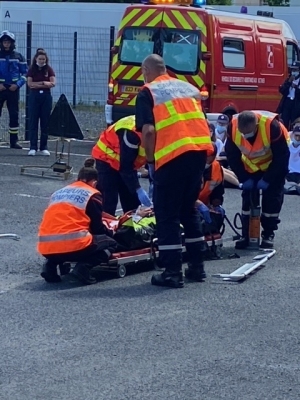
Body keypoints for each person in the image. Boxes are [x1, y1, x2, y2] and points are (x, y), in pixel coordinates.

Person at [136, 54, 213, 288]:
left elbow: (148, 131)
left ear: (146, 71)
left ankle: (172, 272)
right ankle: (197, 267)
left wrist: (150, 162)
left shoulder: (148, 92)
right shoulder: (189, 88)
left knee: (167, 214)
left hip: (171, 157)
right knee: (188, 210)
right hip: (198, 154)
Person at [37, 158, 118, 285]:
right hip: (74, 246)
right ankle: (83, 268)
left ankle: (50, 267)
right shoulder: (92, 194)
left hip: (46, 247)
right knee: (111, 243)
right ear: (94, 182)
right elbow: (97, 227)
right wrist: (112, 233)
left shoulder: (58, 193)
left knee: (61, 242)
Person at [225, 111, 289, 249]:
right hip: (250, 166)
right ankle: (246, 235)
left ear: (256, 125)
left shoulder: (272, 127)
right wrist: (243, 178)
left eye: (248, 133)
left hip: (273, 166)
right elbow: (232, 155)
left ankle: (268, 234)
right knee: (248, 201)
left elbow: (281, 157)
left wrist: (268, 179)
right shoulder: (232, 127)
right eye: (243, 133)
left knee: (272, 201)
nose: (245, 137)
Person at [92, 115, 150, 216]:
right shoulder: (132, 134)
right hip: (106, 158)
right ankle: (104, 227)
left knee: (131, 199)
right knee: (109, 199)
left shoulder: (155, 132)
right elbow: (126, 167)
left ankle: (131, 226)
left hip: (125, 161)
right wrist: (138, 188)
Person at [0, 30, 28, 149]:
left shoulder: (19, 56)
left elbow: (26, 73)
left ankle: (14, 141)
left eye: (8, 42)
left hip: (13, 89)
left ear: (12, 43)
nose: (6, 44)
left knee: (14, 114)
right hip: (0, 89)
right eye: (4, 41)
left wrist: (18, 84)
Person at [26, 49, 55, 156]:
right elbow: (30, 84)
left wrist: (40, 84)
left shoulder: (49, 69)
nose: (42, 61)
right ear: (36, 59)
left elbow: (52, 83)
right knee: (33, 121)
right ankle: (33, 147)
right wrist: (43, 83)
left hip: (46, 97)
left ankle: (44, 147)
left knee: (45, 122)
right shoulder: (32, 69)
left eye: (43, 59)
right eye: (40, 59)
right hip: (34, 96)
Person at [277, 61, 300, 130]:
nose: (294, 72)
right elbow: (282, 90)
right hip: (287, 102)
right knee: (284, 121)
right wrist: (289, 83)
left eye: (296, 70)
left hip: (296, 104)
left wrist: (296, 87)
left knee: (294, 122)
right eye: (293, 70)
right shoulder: (289, 79)